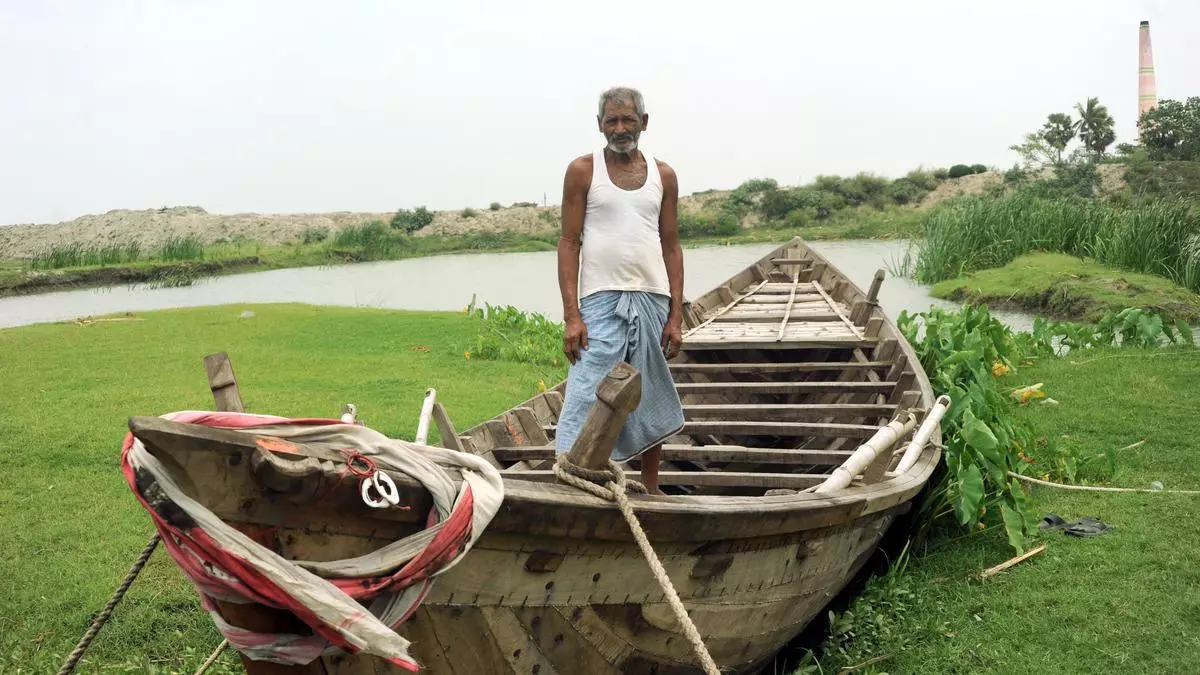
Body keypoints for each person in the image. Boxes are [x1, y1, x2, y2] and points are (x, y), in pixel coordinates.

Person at [553, 86, 685, 494]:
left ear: (644, 123)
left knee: (648, 389)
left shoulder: (663, 175)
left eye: (628, 119)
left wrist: (676, 314)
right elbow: (569, 242)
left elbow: (671, 245)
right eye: (612, 120)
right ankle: (571, 476)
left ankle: (650, 486)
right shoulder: (583, 170)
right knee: (588, 388)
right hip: (599, 299)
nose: (620, 127)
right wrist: (572, 314)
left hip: (652, 298)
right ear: (600, 125)